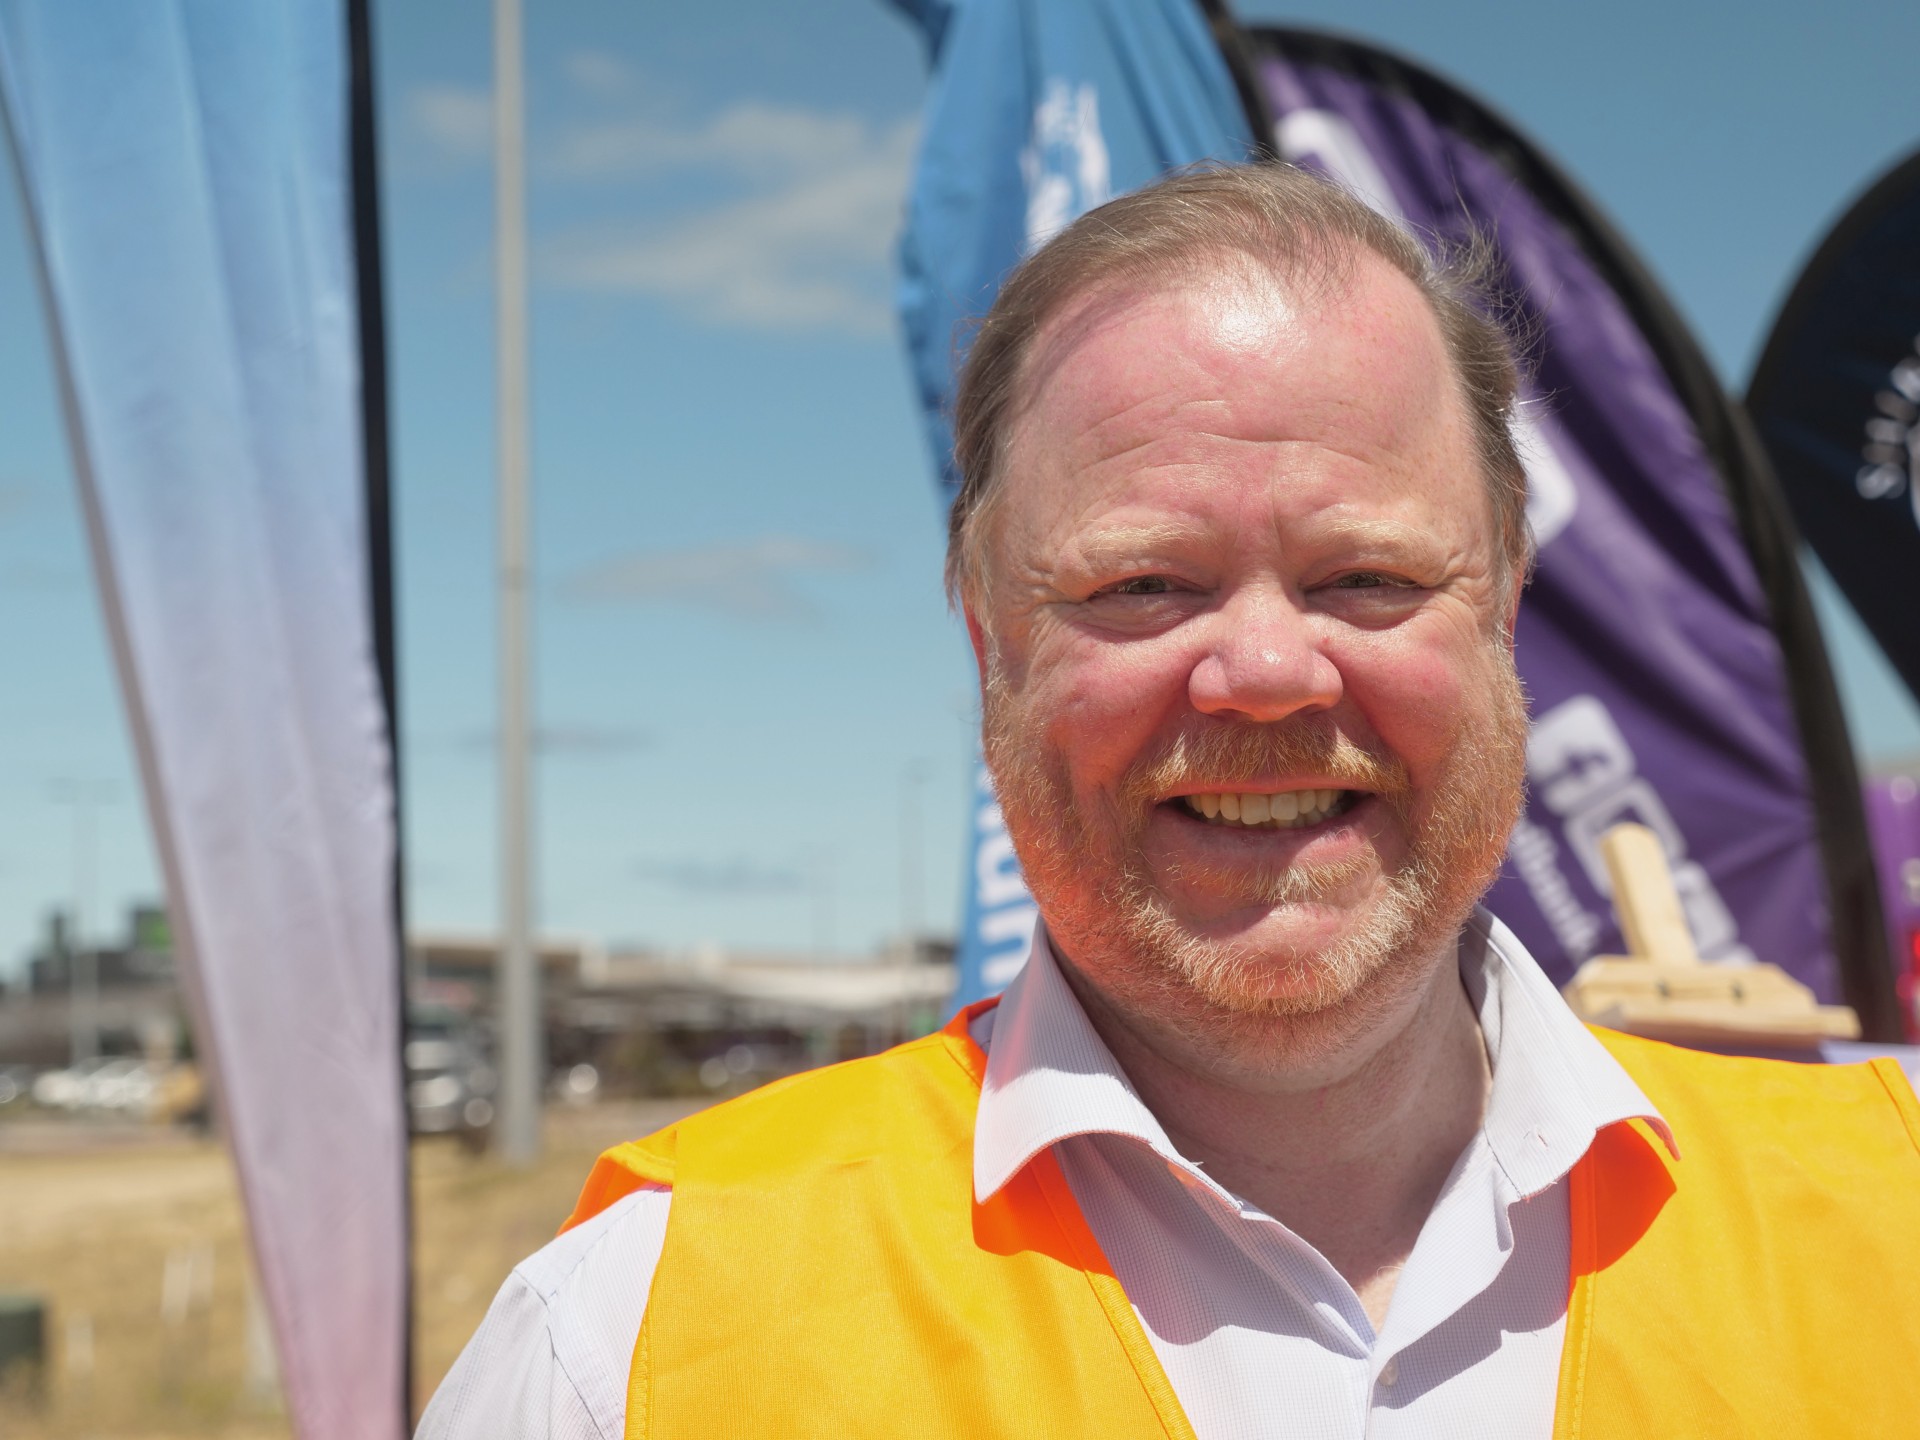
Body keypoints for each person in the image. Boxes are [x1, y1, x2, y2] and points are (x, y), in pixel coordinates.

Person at [418, 165, 1920, 1440]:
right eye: (1145, 584)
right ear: (989, 635)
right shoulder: (630, 1339)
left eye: (1369, 578)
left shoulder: (1889, 1217)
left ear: (1505, 608)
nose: (1264, 673)